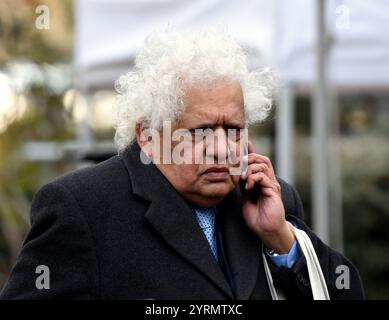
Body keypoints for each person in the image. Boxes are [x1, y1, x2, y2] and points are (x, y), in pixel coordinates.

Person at [0, 29, 363, 299]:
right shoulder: (82, 208)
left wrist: (281, 240)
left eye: (234, 129)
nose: (222, 149)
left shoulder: (271, 198)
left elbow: (346, 292)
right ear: (147, 135)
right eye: (202, 131)